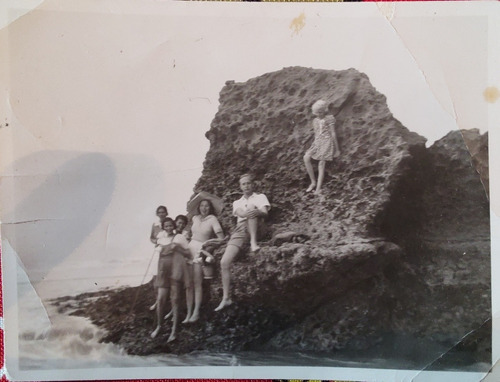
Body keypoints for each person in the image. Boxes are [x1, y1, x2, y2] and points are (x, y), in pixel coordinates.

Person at [215, 174, 270, 312]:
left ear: (253, 184)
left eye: (249, 183)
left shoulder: (260, 197)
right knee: (224, 262)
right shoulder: (237, 202)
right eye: (244, 184)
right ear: (240, 186)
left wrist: (254, 211)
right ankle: (226, 298)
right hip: (240, 229)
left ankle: (253, 243)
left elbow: (264, 213)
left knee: (252, 207)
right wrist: (248, 212)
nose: (246, 186)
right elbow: (239, 213)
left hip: (259, 226)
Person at [151, 218, 190, 342]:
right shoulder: (161, 239)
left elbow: (188, 253)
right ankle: (159, 326)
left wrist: (177, 248)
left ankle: (174, 331)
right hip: (163, 270)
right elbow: (157, 251)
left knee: (175, 299)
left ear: (173, 226)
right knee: (161, 299)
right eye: (166, 226)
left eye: (170, 225)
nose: (168, 227)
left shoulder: (179, 238)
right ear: (163, 227)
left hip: (176, 269)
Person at [187, 199, 224, 322]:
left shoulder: (212, 219)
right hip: (189, 250)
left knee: (197, 283)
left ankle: (196, 312)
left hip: (200, 250)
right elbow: (189, 233)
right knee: (188, 284)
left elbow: (221, 238)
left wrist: (208, 242)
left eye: (207, 206)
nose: (204, 208)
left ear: (210, 208)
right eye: (202, 206)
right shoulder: (194, 218)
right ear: (199, 207)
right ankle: (188, 313)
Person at [303, 99, 340, 195]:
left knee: (321, 163)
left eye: (320, 112)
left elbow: (333, 133)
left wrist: (337, 149)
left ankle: (318, 189)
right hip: (317, 142)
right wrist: (311, 142)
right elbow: (316, 133)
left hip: (327, 141)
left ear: (325, 110)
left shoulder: (329, 119)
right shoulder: (315, 120)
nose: (318, 114)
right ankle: (313, 182)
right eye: (317, 112)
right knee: (306, 157)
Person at [149, 205, 169, 311]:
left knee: (164, 276)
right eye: (159, 212)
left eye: (163, 212)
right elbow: (151, 237)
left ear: (166, 213)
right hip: (157, 251)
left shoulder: (169, 223)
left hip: (166, 252)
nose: (161, 214)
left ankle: (163, 301)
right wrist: (156, 242)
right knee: (155, 276)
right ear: (157, 214)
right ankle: (157, 301)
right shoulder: (155, 225)